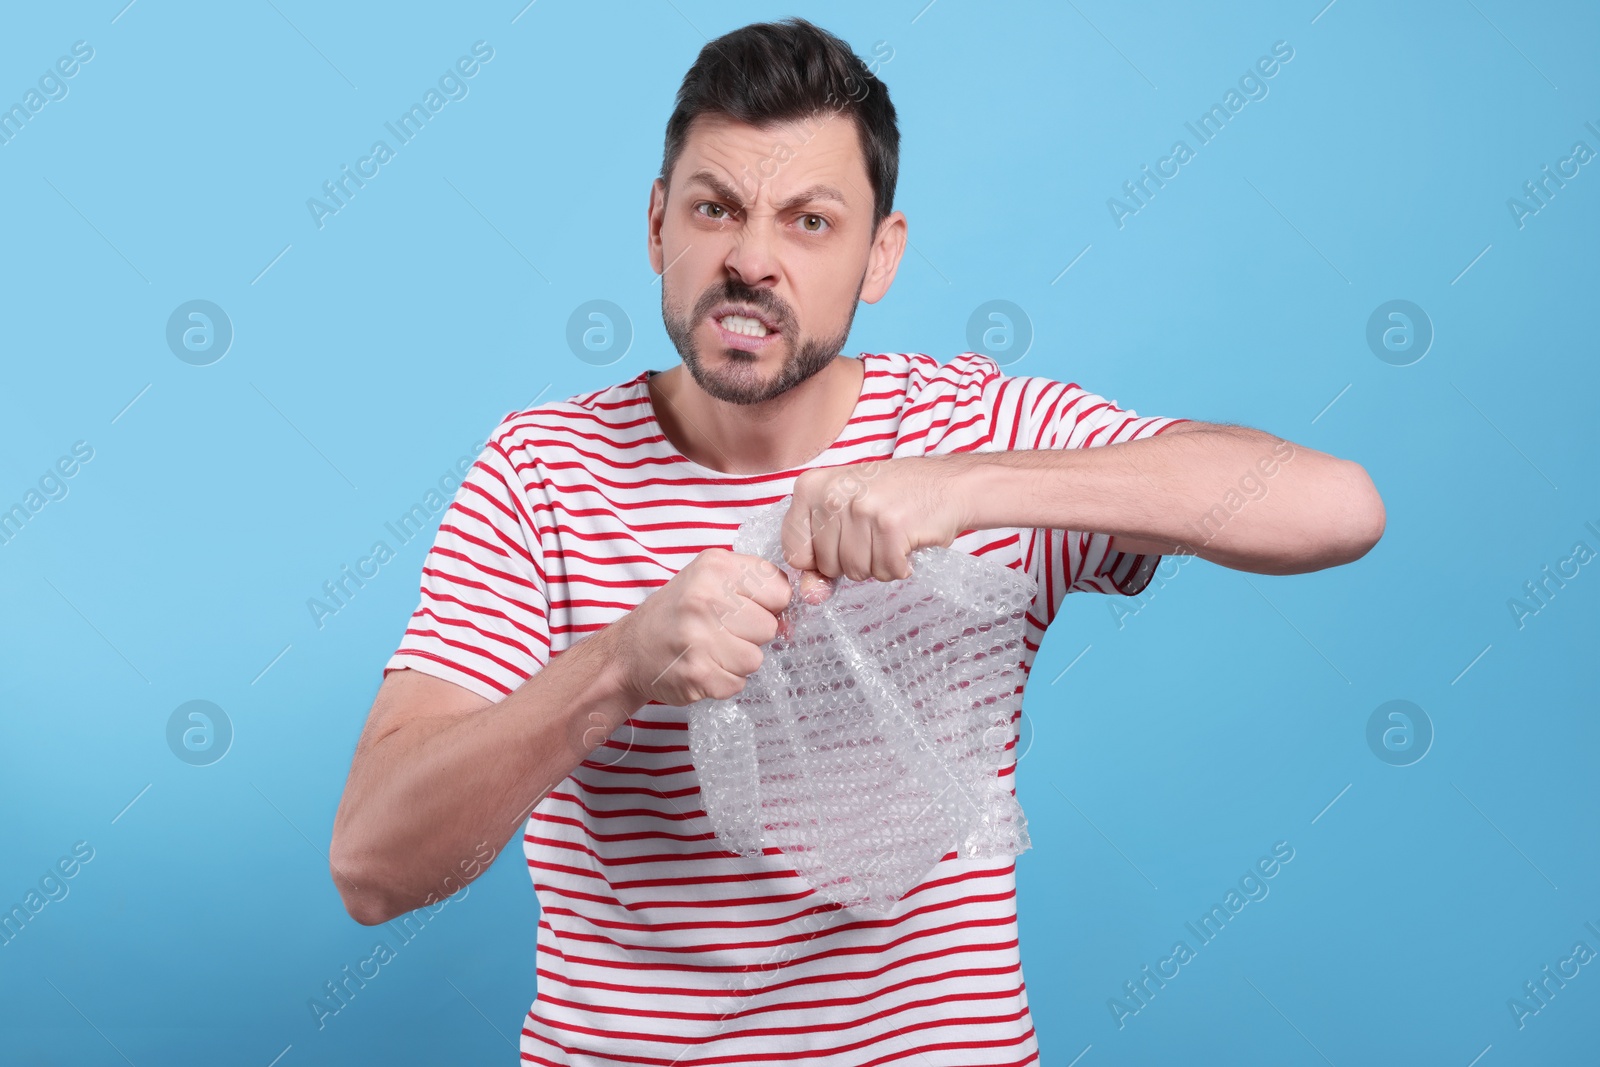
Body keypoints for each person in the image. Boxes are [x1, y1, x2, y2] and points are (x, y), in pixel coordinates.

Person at [329, 17, 1384, 1065]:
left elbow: (1335, 507)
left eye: (810, 221)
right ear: (657, 225)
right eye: (715, 209)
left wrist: (963, 489)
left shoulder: (967, 429)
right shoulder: (543, 471)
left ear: (881, 254)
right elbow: (374, 865)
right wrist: (617, 665)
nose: (750, 259)